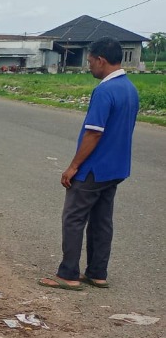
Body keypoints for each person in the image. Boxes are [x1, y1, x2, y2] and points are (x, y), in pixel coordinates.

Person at [38, 37, 139, 290]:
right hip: (116, 168)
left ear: (101, 60)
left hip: (94, 168)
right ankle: (97, 272)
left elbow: (94, 133)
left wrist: (73, 167)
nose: (89, 66)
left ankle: (68, 274)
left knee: (73, 218)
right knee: (102, 220)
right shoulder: (130, 89)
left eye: (91, 61)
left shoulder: (105, 90)